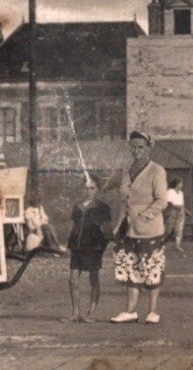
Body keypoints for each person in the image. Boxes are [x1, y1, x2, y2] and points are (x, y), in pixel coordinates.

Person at [109, 131, 169, 324]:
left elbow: (162, 201)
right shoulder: (127, 171)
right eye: (133, 146)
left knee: (151, 267)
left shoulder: (157, 171)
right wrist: (118, 225)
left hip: (150, 228)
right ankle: (130, 311)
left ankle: (153, 312)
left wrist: (145, 216)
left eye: (141, 147)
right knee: (130, 267)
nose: (137, 151)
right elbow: (124, 202)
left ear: (148, 149)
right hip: (129, 229)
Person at [66, 179, 113, 322]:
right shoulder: (77, 206)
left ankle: (91, 313)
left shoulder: (102, 207)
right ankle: (76, 314)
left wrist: (101, 247)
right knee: (73, 279)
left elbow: (109, 231)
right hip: (77, 247)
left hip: (93, 247)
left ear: (97, 189)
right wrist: (70, 245)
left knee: (93, 278)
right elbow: (74, 226)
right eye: (86, 188)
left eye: (92, 188)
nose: (88, 191)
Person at [163, 177, 186, 251]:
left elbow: (182, 204)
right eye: (180, 183)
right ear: (176, 184)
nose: (181, 185)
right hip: (172, 211)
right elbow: (169, 203)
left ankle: (178, 246)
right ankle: (161, 243)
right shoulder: (170, 192)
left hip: (181, 212)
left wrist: (185, 211)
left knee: (179, 228)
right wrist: (176, 208)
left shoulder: (181, 193)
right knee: (168, 229)